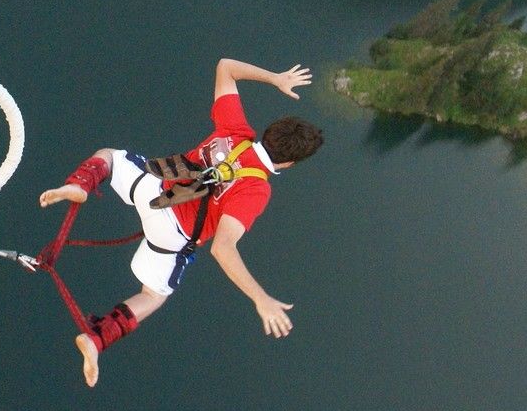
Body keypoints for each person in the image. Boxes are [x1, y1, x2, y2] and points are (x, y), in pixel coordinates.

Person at [38, 58, 323, 387]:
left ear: (270, 132)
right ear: (288, 163)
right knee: (153, 295)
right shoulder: (256, 189)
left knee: (108, 157)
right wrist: (261, 298)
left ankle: (80, 184)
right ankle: (97, 339)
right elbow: (223, 248)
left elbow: (225, 66)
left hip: (152, 189)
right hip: (171, 236)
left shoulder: (235, 132)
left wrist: (275, 78)